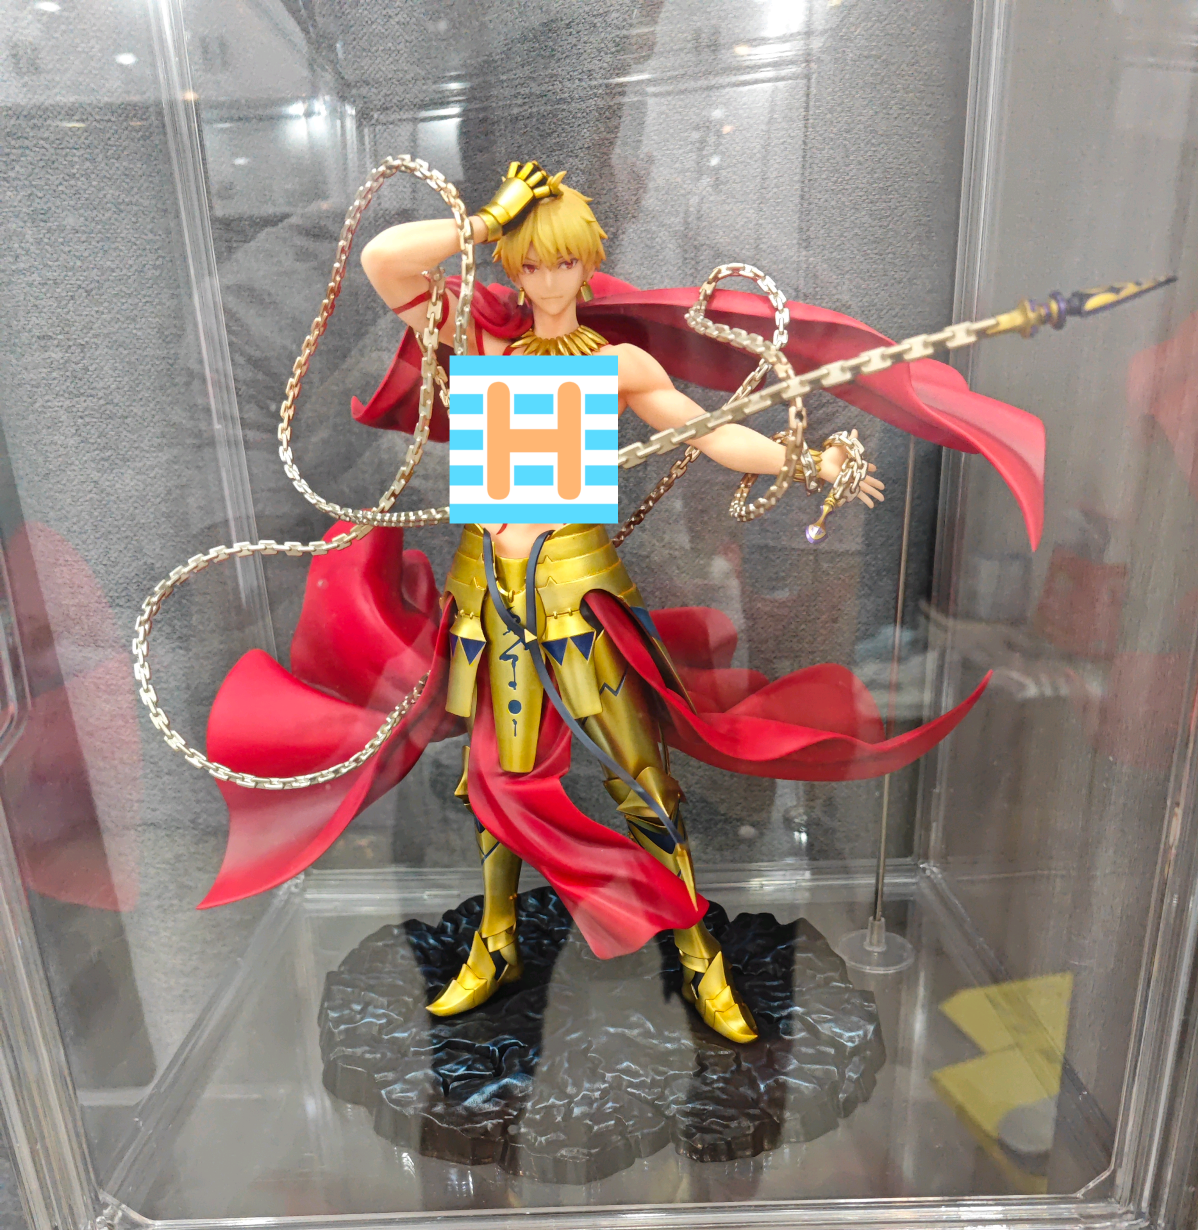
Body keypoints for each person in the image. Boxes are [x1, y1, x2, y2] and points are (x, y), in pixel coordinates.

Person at [200, 161, 1045, 1047]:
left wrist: (806, 463)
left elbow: (710, 433)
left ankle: (697, 954)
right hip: (488, 601)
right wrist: (489, 219)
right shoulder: (476, 340)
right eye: (531, 263)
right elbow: (385, 259)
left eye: (563, 262)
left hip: (579, 595)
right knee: (495, 780)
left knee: (642, 776)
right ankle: (495, 943)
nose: (548, 280)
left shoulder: (616, 364)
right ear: (514, 267)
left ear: (588, 263)